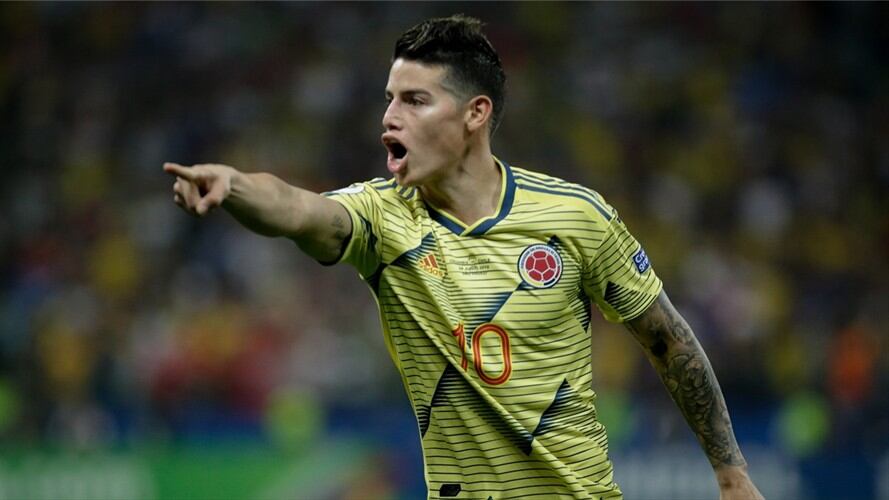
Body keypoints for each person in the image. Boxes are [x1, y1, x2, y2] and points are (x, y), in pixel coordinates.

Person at [164, 14, 763, 500]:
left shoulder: (576, 216)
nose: (389, 117)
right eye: (389, 99)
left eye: (415, 100)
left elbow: (667, 339)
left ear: (475, 114)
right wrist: (234, 185)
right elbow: (298, 209)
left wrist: (730, 472)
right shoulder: (383, 217)